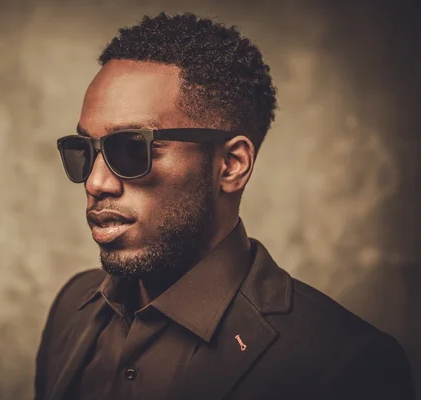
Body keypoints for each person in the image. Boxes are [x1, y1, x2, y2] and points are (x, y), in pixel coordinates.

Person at [34, 12, 415, 400]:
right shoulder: (72, 307)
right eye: (84, 150)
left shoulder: (346, 365)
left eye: (132, 149)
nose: (96, 182)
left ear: (231, 166)